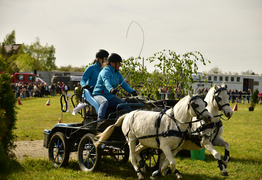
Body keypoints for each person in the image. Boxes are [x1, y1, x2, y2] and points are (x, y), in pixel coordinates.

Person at [92, 53, 137, 122]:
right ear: (112, 63)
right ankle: (100, 120)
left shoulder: (117, 73)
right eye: (118, 63)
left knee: (125, 106)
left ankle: (125, 122)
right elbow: (106, 82)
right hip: (99, 95)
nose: (120, 65)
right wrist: (111, 89)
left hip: (110, 96)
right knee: (104, 102)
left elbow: (124, 84)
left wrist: (132, 91)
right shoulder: (105, 71)